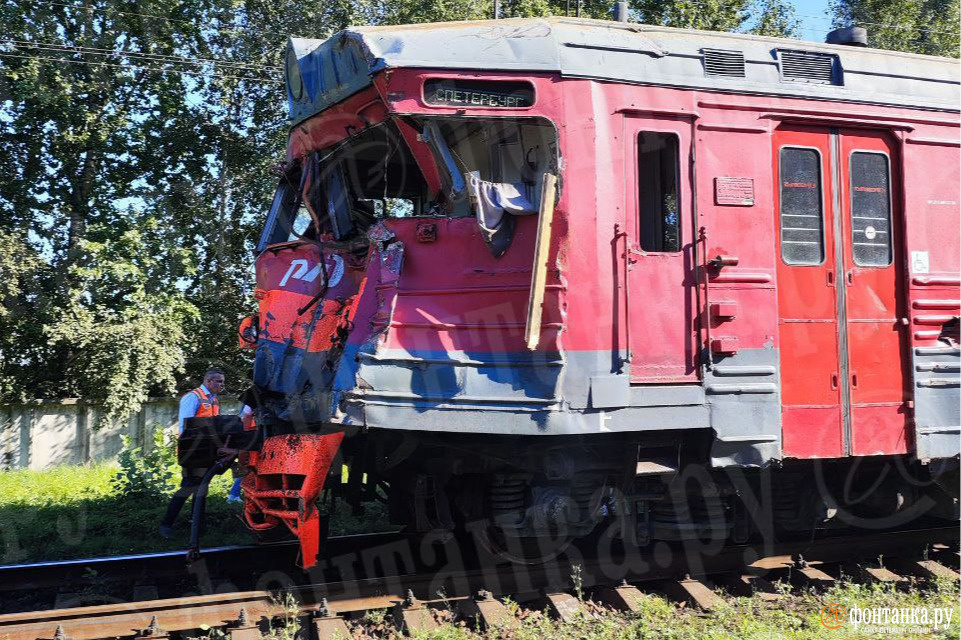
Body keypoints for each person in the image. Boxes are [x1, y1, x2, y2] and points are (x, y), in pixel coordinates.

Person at [159, 368, 225, 539]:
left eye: (222, 382)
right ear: (209, 381)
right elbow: (185, 428)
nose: (222, 385)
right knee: (188, 487)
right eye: (219, 381)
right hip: (192, 451)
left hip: (208, 451)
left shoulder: (214, 400)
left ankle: (197, 526)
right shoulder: (193, 397)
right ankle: (166, 525)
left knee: (202, 489)